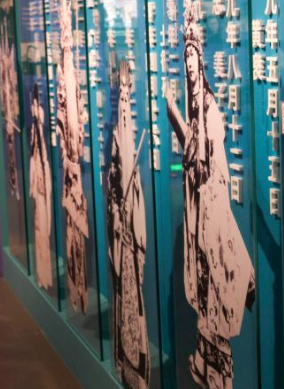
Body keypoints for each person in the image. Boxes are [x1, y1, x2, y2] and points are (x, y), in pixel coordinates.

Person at [167, 1, 255, 389]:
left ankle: (220, 373)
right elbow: (191, 160)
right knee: (202, 288)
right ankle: (205, 364)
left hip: (211, 214)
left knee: (216, 286)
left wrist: (178, 121)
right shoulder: (193, 108)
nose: (189, 68)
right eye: (185, 61)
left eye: (193, 60)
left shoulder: (209, 111)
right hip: (197, 210)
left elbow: (204, 163)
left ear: (200, 64)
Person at [107, 62, 150, 389]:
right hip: (120, 243)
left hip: (130, 246)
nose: (123, 103)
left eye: (126, 96)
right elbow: (113, 188)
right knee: (122, 297)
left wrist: (128, 217)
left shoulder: (130, 136)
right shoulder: (116, 144)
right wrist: (115, 211)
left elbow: (133, 197)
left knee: (133, 303)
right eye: (120, 95)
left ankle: (135, 365)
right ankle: (123, 359)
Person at [57, 0, 90, 313]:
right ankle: (75, 288)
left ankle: (80, 288)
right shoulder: (64, 73)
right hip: (70, 169)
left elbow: (75, 124)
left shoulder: (70, 76)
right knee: (71, 240)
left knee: (76, 239)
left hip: (74, 168)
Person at [29, 85, 53, 290]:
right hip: (39, 193)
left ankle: (44, 275)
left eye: (36, 105)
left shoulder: (40, 139)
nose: (34, 109)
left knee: (43, 230)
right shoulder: (35, 137)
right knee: (39, 231)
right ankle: (41, 275)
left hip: (43, 192)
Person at [0, 23, 20, 200]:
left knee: (12, 150)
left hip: (10, 114)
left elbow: (11, 83)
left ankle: (15, 185)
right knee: (10, 151)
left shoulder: (8, 70)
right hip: (7, 115)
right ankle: (13, 184)